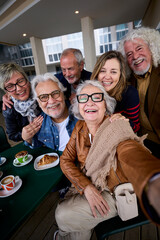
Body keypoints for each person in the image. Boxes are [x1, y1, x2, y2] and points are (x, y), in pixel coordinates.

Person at [54, 80, 160, 240]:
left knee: (63, 215)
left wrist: (152, 179)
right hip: (90, 183)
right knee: (77, 223)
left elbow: (130, 151)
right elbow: (65, 160)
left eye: (96, 97)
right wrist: (87, 187)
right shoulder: (80, 127)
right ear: (78, 105)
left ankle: (62, 236)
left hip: (114, 193)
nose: (89, 102)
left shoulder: (117, 127)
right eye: (83, 98)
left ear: (106, 105)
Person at [118, 27, 160, 158]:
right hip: (145, 142)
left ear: (151, 48)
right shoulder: (127, 82)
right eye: (129, 54)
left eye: (139, 48)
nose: (135, 56)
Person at [23, 73, 78, 151]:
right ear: (38, 102)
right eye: (43, 97)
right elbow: (38, 145)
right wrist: (28, 139)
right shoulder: (39, 123)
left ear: (63, 94)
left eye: (55, 93)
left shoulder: (81, 115)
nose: (51, 101)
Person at [91, 50, 140, 133]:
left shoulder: (130, 93)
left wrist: (124, 121)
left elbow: (136, 127)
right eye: (102, 71)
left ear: (120, 75)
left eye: (113, 72)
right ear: (97, 73)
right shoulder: (90, 92)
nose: (107, 77)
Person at [0, 62, 42, 142]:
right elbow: (12, 135)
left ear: (27, 79)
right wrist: (23, 135)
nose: (19, 88)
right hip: (32, 144)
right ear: (6, 91)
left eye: (20, 81)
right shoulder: (9, 109)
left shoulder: (41, 91)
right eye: (10, 86)